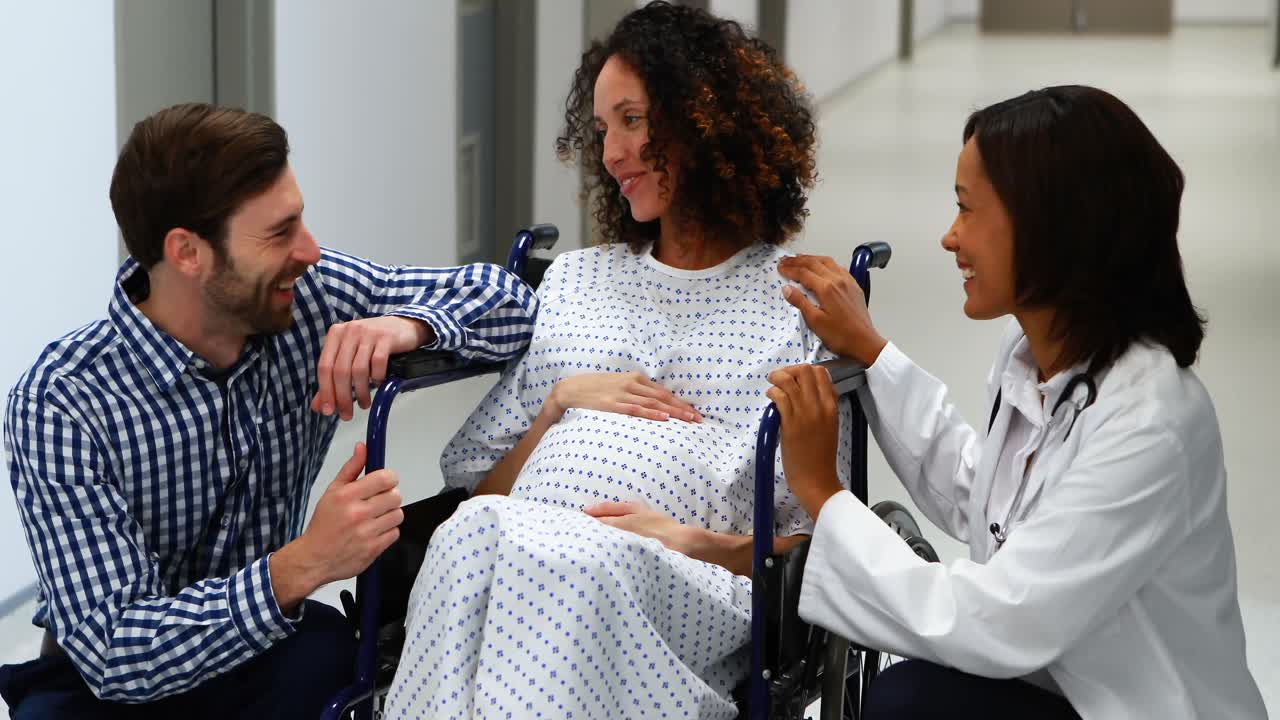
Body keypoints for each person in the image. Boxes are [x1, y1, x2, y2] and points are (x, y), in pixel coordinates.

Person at [0, 103, 537, 719]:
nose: (309, 251)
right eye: (279, 233)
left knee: (333, 656)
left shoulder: (311, 296)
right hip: (110, 687)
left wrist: (407, 326)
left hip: (258, 659)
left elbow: (510, 300)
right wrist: (302, 565)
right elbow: (116, 651)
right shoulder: (62, 400)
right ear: (187, 252)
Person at [384, 4, 833, 718]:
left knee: (572, 564)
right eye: (600, 130)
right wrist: (556, 404)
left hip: (675, 578)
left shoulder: (795, 305)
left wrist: (687, 538)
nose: (612, 153)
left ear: (705, 121)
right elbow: (479, 499)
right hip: (525, 554)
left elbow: (817, 543)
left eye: (632, 120)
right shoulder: (572, 281)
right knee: (465, 536)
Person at [767, 85, 1267, 719]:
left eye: (967, 210)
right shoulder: (1033, 351)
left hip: (1140, 705)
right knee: (909, 698)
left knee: (907, 705)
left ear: (1051, 224)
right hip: (1063, 682)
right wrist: (872, 352)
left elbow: (997, 619)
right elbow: (987, 499)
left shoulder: (1151, 423)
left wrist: (822, 493)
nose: (949, 238)